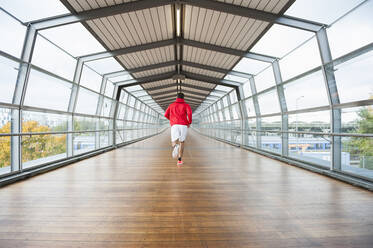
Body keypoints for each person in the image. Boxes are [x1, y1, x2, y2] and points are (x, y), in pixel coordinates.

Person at [164, 92, 192, 166]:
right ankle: (179, 160)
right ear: (183, 98)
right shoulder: (186, 105)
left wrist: (172, 119)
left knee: (174, 140)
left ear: (176, 97)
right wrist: (189, 122)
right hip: (183, 125)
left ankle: (175, 146)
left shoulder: (171, 105)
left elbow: (166, 114)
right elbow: (189, 113)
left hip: (174, 124)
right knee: (182, 142)